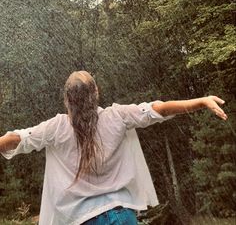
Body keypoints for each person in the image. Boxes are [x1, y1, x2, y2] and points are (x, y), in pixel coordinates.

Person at [0, 71, 227, 225]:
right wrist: (200, 101)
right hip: (122, 216)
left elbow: (16, 139)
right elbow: (159, 109)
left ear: (67, 98)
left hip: (82, 219)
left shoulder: (55, 128)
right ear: (96, 92)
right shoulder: (117, 116)